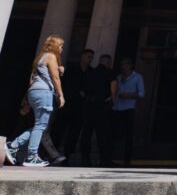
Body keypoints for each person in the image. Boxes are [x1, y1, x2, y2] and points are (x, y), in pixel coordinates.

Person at [4, 35, 66, 167]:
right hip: (44, 92)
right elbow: (55, 78)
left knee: (39, 126)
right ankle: (31, 156)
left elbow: (45, 74)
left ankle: (13, 146)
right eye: (60, 46)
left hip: (34, 92)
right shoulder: (51, 56)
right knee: (41, 126)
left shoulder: (41, 56)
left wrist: (59, 70)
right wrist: (60, 95)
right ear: (55, 46)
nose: (61, 49)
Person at [51, 48, 94, 164]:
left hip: (81, 107)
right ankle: (52, 154)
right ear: (82, 56)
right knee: (58, 129)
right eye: (88, 56)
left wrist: (86, 94)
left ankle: (67, 156)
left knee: (74, 132)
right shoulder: (71, 69)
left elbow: (92, 88)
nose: (90, 59)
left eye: (91, 57)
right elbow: (64, 83)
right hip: (67, 104)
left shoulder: (91, 72)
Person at [80, 54, 116, 167]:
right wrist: (113, 98)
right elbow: (113, 84)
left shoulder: (90, 72)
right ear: (108, 62)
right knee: (103, 134)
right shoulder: (109, 72)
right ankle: (104, 160)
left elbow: (82, 90)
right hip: (101, 106)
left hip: (88, 105)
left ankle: (85, 160)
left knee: (87, 133)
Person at [112, 57, 145, 166]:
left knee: (128, 134)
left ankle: (127, 159)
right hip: (117, 107)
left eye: (125, 64)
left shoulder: (137, 77)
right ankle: (113, 156)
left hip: (129, 108)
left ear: (130, 66)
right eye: (122, 64)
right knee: (115, 132)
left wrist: (129, 95)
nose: (123, 67)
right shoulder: (118, 77)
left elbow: (141, 93)